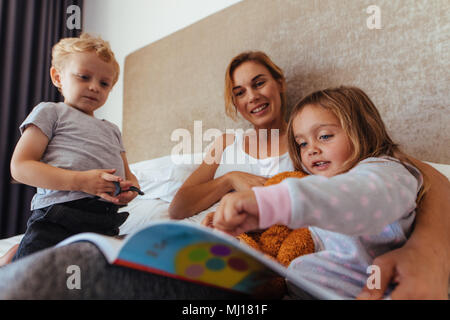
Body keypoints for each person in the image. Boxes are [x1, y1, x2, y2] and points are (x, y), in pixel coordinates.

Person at [0, 52, 448, 299]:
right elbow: (177, 206)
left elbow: (402, 176)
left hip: (277, 262)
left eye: (259, 82)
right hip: (218, 245)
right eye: (238, 91)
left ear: (280, 83)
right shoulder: (224, 144)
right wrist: (231, 183)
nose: (251, 96)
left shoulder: (311, 150)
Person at [212, 86, 448, 299]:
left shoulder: (385, 170)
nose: (311, 150)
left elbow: (355, 197)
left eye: (324, 136)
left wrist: (272, 202)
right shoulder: (317, 184)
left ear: (363, 132)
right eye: (302, 143)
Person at [8, 33, 140, 261]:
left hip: (104, 221)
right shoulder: (51, 112)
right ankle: (10, 259)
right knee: (30, 280)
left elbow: (130, 176)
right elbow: (20, 166)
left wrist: (130, 191)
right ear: (58, 77)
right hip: (57, 217)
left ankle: (14, 254)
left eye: (104, 83)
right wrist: (82, 182)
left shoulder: (112, 130)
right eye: (84, 77)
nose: (94, 87)